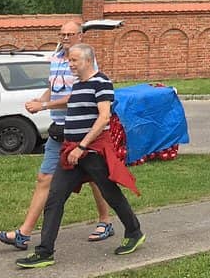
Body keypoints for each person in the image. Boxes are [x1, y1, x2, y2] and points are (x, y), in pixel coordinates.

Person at [16, 43, 145, 269]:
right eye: (69, 60)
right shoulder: (79, 84)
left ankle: (134, 232)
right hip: (72, 153)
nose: (70, 64)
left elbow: (104, 117)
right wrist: (43, 105)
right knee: (55, 198)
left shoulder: (101, 82)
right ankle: (45, 252)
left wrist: (82, 147)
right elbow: (68, 101)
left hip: (92, 152)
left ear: (87, 60)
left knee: (111, 194)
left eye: (74, 60)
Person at [0, 21, 113, 251]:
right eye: (62, 34)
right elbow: (53, 86)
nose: (65, 37)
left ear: (80, 36)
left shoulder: (85, 61)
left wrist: (45, 105)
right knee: (44, 179)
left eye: (70, 34)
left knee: (96, 179)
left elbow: (76, 95)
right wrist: (40, 100)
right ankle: (24, 233)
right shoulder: (57, 58)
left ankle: (107, 221)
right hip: (60, 128)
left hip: (80, 128)